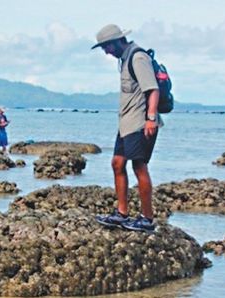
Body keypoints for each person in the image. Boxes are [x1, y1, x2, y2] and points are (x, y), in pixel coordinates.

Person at [92, 24, 162, 232]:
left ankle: (147, 219)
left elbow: (153, 90)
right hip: (127, 123)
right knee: (117, 163)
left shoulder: (138, 57)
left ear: (117, 42)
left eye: (107, 46)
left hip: (141, 122)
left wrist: (150, 119)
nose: (106, 51)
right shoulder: (124, 60)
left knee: (139, 167)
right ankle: (122, 213)